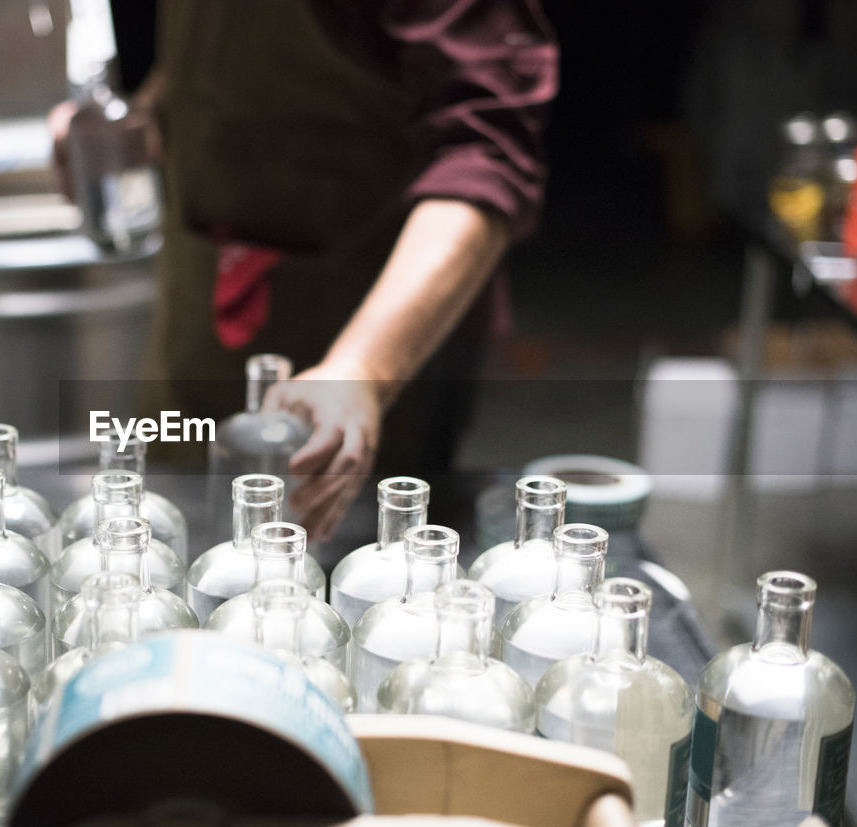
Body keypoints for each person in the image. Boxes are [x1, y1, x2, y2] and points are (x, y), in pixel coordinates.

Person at [61, 0, 558, 541]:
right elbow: (220, 60)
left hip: (360, 333)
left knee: (340, 572)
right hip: (198, 307)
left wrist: (363, 368)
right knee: (173, 549)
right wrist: (144, 117)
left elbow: (484, 156)